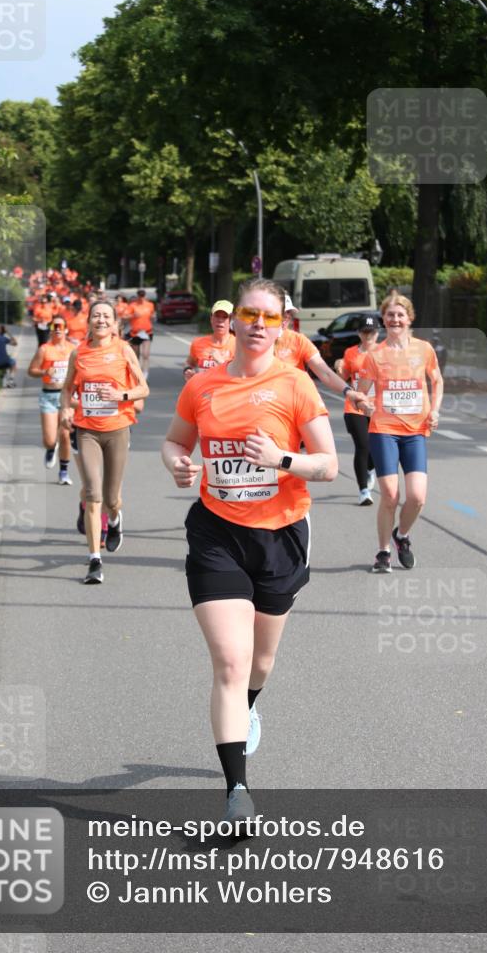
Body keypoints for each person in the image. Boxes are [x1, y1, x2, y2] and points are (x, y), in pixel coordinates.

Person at [162, 279, 338, 825]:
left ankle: (249, 707)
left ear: (283, 325)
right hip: (217, 533)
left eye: (270, 317)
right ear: (233, 321)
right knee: (231, 661)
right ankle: (237, 792)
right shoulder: (204, 386)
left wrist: (282, 459)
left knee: (260, 661)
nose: (259, 324)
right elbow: (174, 441)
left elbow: (329, 465)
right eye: (249, 314)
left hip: (280, 535)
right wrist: (177, 464)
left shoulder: (295, 386)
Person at [60, 300, 149, 584]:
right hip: (86, 430)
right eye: (96, 315)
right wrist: (65, 409)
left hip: (118, 429)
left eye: (106, 316)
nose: (100, 320)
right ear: (89, 321)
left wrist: (120, 397)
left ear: (114, 324)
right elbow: (67, 389)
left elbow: (142, 388)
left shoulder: (123, 350)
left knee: (112, 498)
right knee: (92, 493)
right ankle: (94, 561)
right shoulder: (79, 353)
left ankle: (114, 521)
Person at [356, 291, 443, 573]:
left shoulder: (423, 349)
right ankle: (382, 552)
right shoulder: (375, 355)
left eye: (400, 315)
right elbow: (361, 393)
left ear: (409, 318)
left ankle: (401, 535)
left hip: (415, 430)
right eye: (390, 315)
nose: (395, 319)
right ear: (384, 319)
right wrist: (366, 404)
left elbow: (437, 380)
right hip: (384, 430)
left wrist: (436, 410)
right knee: (391, 495)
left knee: (417, 497)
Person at [335, 313, 380, 506]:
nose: (368, 335)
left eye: (371, 332)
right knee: (363, 445)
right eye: (364, 331)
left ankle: (371, 469)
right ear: (358, 333)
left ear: (378, 332)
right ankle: (363, 490)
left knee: (377, 449)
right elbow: (344, 376)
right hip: (355, 407)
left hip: (379, 407)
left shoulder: (386, 353)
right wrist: (339, 366)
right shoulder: (351, 352)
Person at [27, 316, 76, 483]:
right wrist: (43, 372)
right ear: (50, 328)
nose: (57, 328)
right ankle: (50, 448)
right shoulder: (44, 349)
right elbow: (31, 370)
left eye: (60, 325)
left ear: (66, 329)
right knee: (49, 439)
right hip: (48, 396)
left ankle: (63, 472)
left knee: (65, 435)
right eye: (53, 325)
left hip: (67, 398)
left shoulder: (73, 349)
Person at [182, 299, 236, 380]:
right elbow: (189, 363)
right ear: (211, 318)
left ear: (231, 320)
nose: (220, 320)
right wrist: (187, 370)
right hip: (202, 391)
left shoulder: (239, 345)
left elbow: (242, 377)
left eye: (225, 317)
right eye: (217, 316)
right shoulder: (198, 343)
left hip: (226, 391)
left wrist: (221, 362)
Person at [126, 288, 155, 379]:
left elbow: (152, 315)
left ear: (145, 296)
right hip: (135, 333)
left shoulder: (150, 305)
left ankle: (145, 375)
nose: (141, 297)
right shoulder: (132, 305)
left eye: (143, 295)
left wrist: (154, 317)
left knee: (145, 355)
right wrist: (132, 315)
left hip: (147, 332)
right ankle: (136, 374)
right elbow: (125, 316)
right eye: (140, 295)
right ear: (137, 296)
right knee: (136, 356)